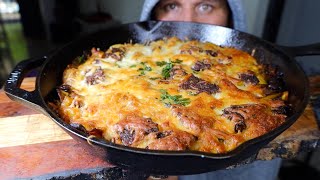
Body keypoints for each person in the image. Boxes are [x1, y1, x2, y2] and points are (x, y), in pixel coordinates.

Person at [140, 0, 282, 180]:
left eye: (205, 6)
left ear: (231, 15)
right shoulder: (132, 62)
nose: (188, 21)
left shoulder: (253, 70)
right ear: (152, 15)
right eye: (172, 6)